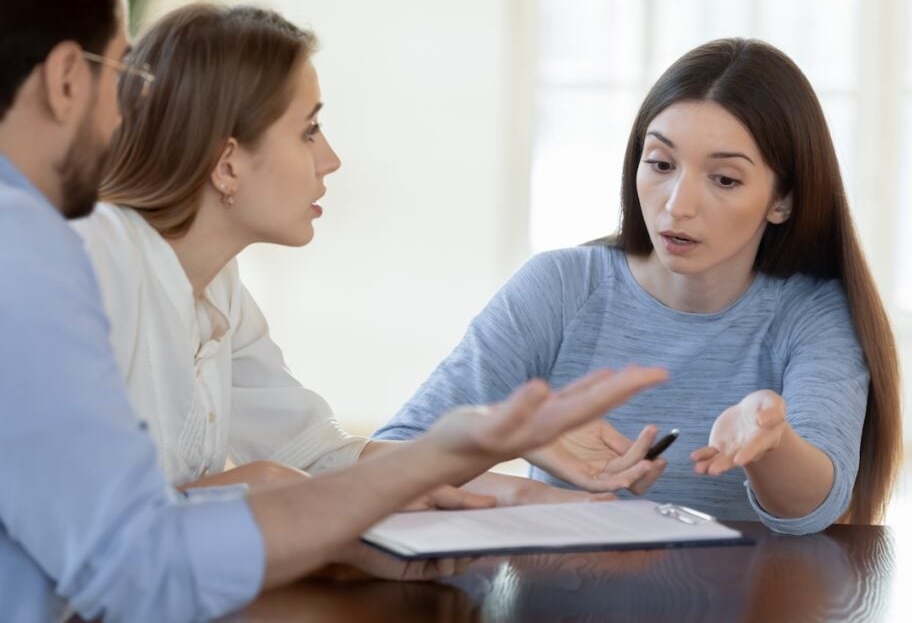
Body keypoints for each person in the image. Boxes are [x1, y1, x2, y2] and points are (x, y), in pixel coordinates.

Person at [0, 0, 668, 621]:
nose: (125, 111)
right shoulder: (17, 245)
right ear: (65, 78)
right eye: (118, 71)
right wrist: (417, 465)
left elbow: (298, 465)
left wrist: (482, 483)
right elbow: (136, 560)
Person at [71, 2, 608, 505]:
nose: (331, 159)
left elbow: (316, 456)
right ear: (228, 163)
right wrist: (259, 486)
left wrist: (520, 481)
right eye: (308, 132)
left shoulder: (218, 287)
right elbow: (83, 518)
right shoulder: (97, 259)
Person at [375, 37, 903, 534]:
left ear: (782, 200)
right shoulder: (560, 286)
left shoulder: (812, 312)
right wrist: (523, 443)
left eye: (724, 179)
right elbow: (387, 459)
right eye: (661, 164)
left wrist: (771, 442)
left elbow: (813, 510)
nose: (677, 204)